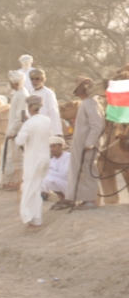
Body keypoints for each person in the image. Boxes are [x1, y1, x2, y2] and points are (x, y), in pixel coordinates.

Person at [59, 76, 104, 210]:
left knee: (88, 170)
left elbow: (97, 125)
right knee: (82, 170)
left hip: (88, 146)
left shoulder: (90, 103)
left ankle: (90, 201)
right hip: (82, 144)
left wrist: (89, 143)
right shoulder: (87, 103)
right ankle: (85, 199)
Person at [15, 95, 51, 228]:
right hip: (45, 158)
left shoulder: (29, 123)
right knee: (36, 188)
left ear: (30, 107)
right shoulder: (47, 120)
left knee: (29, 188)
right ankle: (37, 218)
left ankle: (28, 217)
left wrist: (23, 125)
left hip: (33, 160)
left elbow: (19, 141)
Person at [0, 70, 29, 190]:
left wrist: (13, 132)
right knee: (10, 156)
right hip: (13, 131)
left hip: (17, 133)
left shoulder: (23, 95)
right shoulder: (18, 93)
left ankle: (9, 182)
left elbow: (22, 116)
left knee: (14, 158)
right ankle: (6, 181)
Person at [29, 69, 61, 136]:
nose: (34, 81)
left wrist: (57, 132)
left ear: (42, 80)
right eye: (32, 79)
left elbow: (54, 112)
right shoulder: (29, 92)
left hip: (45, 130)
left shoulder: (48, 93)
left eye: (37, 79)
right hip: (31, 129)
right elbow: (24, 110)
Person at [42, 136, 70, 201]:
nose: (51, 149)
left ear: (61, 146)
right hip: (61, 183)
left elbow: (66, 176)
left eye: (54, 146)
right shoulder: (52, 160)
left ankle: (67, 198)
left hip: (70, 185)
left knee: (47, 178)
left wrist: (48, 172)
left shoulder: (68, 156)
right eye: (50, 147)